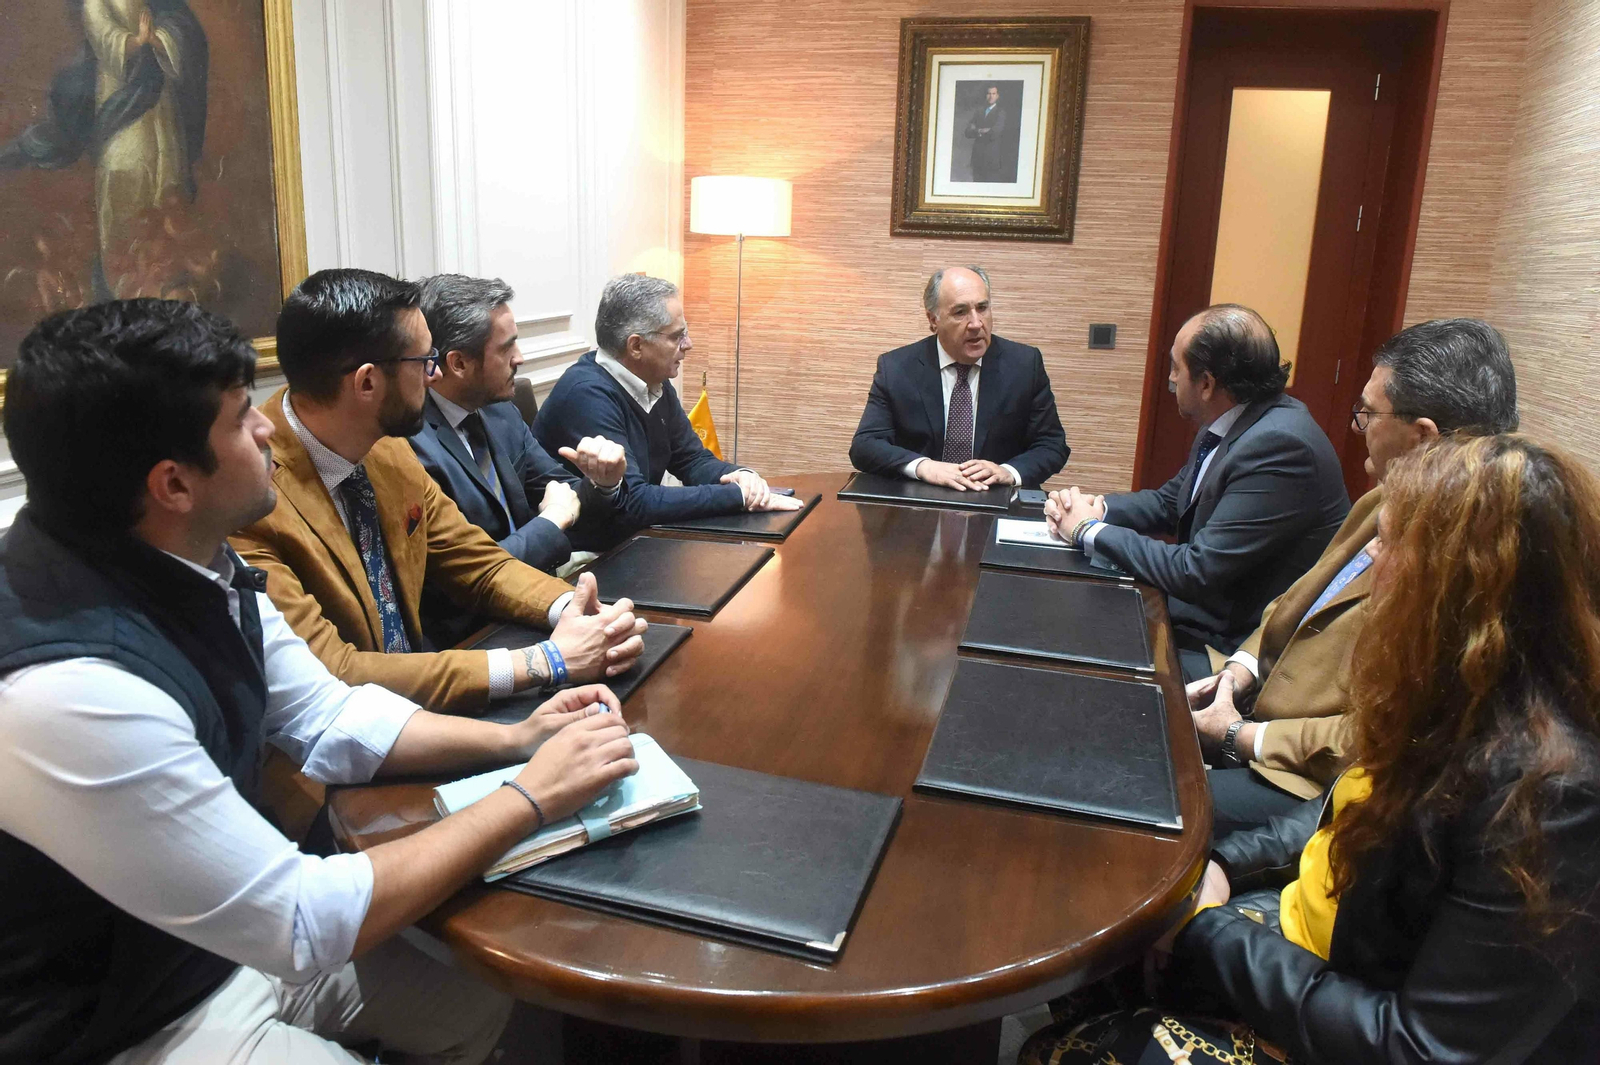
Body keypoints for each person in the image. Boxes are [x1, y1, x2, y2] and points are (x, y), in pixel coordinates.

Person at [0, 298, 641, 1064]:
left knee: (481, 991)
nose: (268, 426)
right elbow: (301, 919)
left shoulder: (187, 555)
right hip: (127, 1022)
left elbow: (333, 715)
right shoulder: (70, 690)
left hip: (218, 949)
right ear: (173, 484)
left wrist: (518, 738)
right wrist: (531, 793)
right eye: (242, 419)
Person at [1021, 434, 1600, 1065]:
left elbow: (1425, 1048)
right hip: (1324, 946)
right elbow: (1344, 813)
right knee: (1098, 944)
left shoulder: (1553, 794)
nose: (1373, 559)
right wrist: (1221, 865)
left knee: (1067, 1049)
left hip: (1354, 1022)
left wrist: (1205, 930)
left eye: (1393, 541)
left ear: (1466, 582)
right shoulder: (1464, 687)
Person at [230, 268, 647, 718]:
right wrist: (544, 660)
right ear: (367, 383)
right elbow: (333, 672)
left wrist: (573, 609)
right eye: (423, 362)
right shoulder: (249, 497)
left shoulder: (387, 448)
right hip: (336, 745)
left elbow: (480, 564)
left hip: (427, 708)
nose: (433, 377)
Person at [1189, 319, 1519, 834]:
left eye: (1367, 412)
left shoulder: (1476, 564)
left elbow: (1384, 739)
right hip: (1255, 709)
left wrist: (1237, 735)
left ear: (1423, 437)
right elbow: (1291, 604)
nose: (1355, 425)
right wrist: (1237, 673)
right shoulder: (1381, 498)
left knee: (1139, 793)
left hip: (1311, 783)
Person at [1045, 304, 1348, 677]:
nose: (1170, 379)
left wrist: (1088, 530)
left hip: (1237, 650)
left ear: (1206, 384)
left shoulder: (1280, 446)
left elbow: (1196, 571)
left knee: (1076, 655)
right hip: (1200, 618)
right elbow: (1172, 501)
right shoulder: (1236, 422)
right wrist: (1097, 508)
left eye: (1175, 367)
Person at [409, 273, 630, 646]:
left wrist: (604, 483)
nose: (520, 358)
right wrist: (552, 519)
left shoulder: (499, 412)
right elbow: (464, 578)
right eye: (506, 347)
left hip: (539, 597)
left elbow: (562, 493)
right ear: (458, 363)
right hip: (471, 635)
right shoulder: (409, 445)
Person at [533, 274, 801, 551]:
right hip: (586, 555)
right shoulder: (585, 395)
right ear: (636, 346)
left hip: (635, 539)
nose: (689, 344)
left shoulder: (654, 381)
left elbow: (691, 459)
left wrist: (741, 476)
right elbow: (633, 501)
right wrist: (736, 496)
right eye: (677, 336)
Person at [849, 266, 1069, 490]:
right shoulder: (897, 367)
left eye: (982, 308)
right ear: (933, 319)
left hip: (997, 499)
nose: (976, 324)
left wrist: (1008, 472)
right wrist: (924, 467)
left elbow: (1052, 444)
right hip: (920, 501)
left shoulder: (1024, 364)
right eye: (960, 312)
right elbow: (865, 446)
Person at [963, 85, 1009, 182]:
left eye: (993, 94)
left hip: (992, 158)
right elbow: (967, 132)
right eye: (989, 93)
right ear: (985, 95)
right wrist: (981, 131)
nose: (991, 96)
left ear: (997, 96)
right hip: (977, 157)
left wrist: (976, 129)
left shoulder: (1000, 112)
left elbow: (995, 132)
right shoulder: (979, 112)